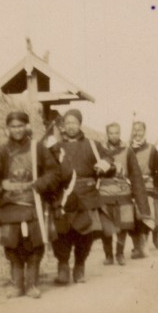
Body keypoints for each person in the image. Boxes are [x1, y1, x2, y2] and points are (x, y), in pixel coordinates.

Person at [0, 110, 63, 299]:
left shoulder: (38, 149)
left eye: (20, 126)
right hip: (10, 205)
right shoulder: (1, 153)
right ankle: (17, 285)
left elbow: (54, 173)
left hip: (33, 203)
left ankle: (32, 285)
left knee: (34, 246)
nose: (17, 130)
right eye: (13, 126)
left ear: (27, 126)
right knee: (11, 246)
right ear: (7, 129)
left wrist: (39, 184)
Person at [48, 109, 114, 285]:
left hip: (86, 196)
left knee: (84, 234)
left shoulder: (92, 145)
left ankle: (79, 266)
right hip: (63, 197)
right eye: (67, 123)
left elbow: (108, 158)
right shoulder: (56, 147)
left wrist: (104, 164)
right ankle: (63, 267)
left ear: (80, 125)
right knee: (61, 234)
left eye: (74, 123)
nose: (71, 126)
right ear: (63, 125)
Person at [97, 123, 151, 265]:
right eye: (111, 133)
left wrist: (139, 196)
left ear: (120, 133)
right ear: (107, 134)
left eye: (116, 133)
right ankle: (108, 255)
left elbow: (135, 174)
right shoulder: (99, 150)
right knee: (106, 227)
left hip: (123, 192)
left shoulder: (128, 151)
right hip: (105, 192)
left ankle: (119, 254)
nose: (114, 136)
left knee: (124, 225)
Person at [129, 121, 158, 249]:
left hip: (149, 185)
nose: (137, 133)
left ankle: (155, 236)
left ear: (144, 132)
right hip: (132, 185)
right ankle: (139, 241)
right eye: (134, 130)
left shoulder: (152, 150)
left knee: (155, 207)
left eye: (139, 130)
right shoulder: (127, 149)